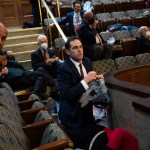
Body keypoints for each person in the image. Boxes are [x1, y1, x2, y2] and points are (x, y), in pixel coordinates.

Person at [57, 36, 139, 149]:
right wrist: (85, 81)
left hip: (88, 115)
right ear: (67, 51)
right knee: (103, 139)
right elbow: (67, 94)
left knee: (109, 137)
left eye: (80, 47)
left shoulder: (86, 61)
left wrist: (97, 79)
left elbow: (90, 88)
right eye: (75, 48)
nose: (79, 50)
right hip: (73, 119)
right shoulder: (63, 68)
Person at [0, 22, 51, 100]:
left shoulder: (2, 52)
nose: (0, 41)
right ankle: (37, 96)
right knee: (40, 75)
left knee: (42, 75)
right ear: (38, 43)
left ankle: (40, 94)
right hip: (13, 76)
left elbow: (9, 61)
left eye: (3, 39)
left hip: (17, 72)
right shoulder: (35, 54)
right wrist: (1, 74)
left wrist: (7, 55)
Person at [31, 34, 61, 100]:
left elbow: (55, 61)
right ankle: (54, 84)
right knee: (40, 69)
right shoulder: (34, 54)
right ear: (38, 44)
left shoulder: (51, 51)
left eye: (45, 41)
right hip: (44, 73)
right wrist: (45, 63)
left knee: (60, 64)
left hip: (52, 71)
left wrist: (56, 60)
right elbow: (35, 67)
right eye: (42, 42)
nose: (44, 43)